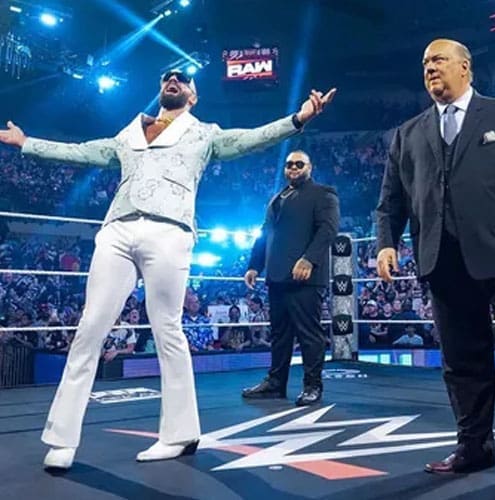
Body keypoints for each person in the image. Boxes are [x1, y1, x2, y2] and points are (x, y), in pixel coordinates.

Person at [0, 69, 335, 469]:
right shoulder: (129, 133)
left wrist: (298, 119)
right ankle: (61, 439)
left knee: (168, 331)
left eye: (183, 78)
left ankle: (179, 434)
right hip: (118, 229)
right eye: (167, 77)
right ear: (161, 88)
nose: (173, 79)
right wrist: (27, 143)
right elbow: (83, 151)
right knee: (90, 328)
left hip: (170, 230)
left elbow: (252, 138)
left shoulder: (205, 133)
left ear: (193, 96)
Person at [375, 39, 495, 475]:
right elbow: (390, 201)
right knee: (462, 358)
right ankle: (473, 445)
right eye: (425, 62)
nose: (430, 68)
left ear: (465, 67)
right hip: (442, 258)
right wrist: (387, 243)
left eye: (438, 60)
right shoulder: (408, 133)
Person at [241, 150, 339, 406]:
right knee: (279, 333)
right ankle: (276, 383)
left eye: (299, 164)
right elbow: (265, 233)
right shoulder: (277, 197)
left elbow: (328, 230)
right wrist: (254, 265)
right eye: (289, 164)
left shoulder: (323, 194)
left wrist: (309, 259)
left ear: (309, 167)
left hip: (305, 276)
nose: (293, 168)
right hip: (277, 275)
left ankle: (312, 385)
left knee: (309, 333)